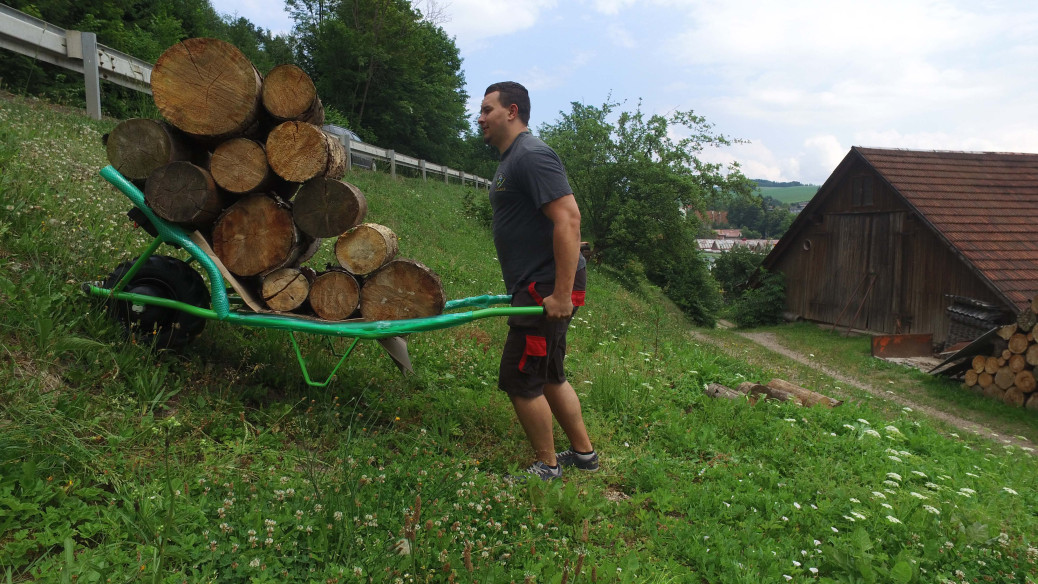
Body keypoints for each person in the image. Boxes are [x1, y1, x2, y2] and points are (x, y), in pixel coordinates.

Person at [477, 81, 598, 481]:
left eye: (487, 110)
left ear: (512, 111)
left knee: (520, 376)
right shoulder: (512, 158)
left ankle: (547, 467)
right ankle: (583, 456)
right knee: (548, 374)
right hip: (537, 282)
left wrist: (561, 294)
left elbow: (568, 219)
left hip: (544, 285)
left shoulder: (531, 155)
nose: (481, 119)